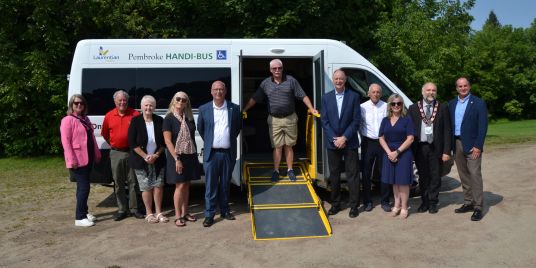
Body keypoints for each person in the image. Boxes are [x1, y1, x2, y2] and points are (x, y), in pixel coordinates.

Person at [242, 59, 318, 182]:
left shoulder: (291, 80)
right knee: (277, 147)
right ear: (270, 70)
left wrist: (312, 109)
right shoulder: (265, 83)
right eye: (274, 68)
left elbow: (302, 95)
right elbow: (255, 98)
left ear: (282, 69)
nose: (277, 70)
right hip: (274, 120)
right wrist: (244, 109)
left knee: (288, 146)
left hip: (290, 119)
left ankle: (290, 170)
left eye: (279, 68)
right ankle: (276, 170)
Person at [198, 81, 242, 227]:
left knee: (225, 185)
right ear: (211, 92)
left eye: (221, 89)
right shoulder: (204, 109)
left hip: (227, 153)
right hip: (211, 154)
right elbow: (202, 129)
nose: (218, 92)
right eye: (216, 89)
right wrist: (212, 142)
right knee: (210, 186)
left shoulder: (234, 109)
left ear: (225, 91)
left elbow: (237, 128)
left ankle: (225, 210)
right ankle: (209, 215)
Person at [321, 70, 361, 218]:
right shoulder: (326, 98)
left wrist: (344, 137)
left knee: (353, 175)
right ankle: (335, 204)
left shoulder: (354, 96)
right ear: (333, 80)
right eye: (336, 79)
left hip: (349, 142)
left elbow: (356, 120)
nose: (338, 81)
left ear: (345, 80)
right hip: (333, 144)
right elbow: (324, 121)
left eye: (341, 79)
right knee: (335, 175)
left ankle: (354, 206)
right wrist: (335, 139)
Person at [409, 82, 452, 214]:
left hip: (436, 148)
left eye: (433, 90)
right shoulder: (413, 108)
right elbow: (409, 130)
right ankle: (425, 201)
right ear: (423, 92)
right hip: (420, 147)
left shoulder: (442, 107)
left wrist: (446, 151)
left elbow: (447, 131)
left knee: (435, 176)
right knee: (423, 176)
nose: (431, 92)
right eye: (428, 90)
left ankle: (433, 202)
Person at [449, 77, 488, 221]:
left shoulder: (478, 103)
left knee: (474, 174)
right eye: (460, 86)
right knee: (463, 174)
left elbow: (483, 126)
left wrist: (478, 145)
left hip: (472, 145)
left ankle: (478, 206)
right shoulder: (451, 104)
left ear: (469, 87)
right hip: (457, 142)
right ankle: (468, 202)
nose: (463, 88)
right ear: (456, 88)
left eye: (465, 86)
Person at [60, 94, 101, 227]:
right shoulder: (67, 120)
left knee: (81, 187)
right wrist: (71, 159)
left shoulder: (85, 119)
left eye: (81, 103)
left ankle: (85, 212)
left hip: (87, 157)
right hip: (77, 159)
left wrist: (96, 153)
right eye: (76, 103)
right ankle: (79, 217)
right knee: (84, 188)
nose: (79, 105)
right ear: (71, 105)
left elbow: (92, 138)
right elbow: (65, 142)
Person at [101, 90, 143, 221]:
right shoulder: (109, 116)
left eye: (124, 100)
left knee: (133, 182)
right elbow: (105, 134)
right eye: (120, 100)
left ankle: (134, 209)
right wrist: (115, 144)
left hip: (132, 152)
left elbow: (140, 133)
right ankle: (121, 209)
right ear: (115, 101)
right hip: (116, 152)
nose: (122, 102)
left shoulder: (135, 114)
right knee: (118, 182)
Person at [128, 95, 168, 224]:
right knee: (146, 187)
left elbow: (164, 142)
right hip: (141, 160)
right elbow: (132, 143)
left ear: (154, 107)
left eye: (151, 105)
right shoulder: (135, 121)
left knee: (158, 186)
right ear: (141, 107)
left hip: (158, 159)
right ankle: (149, 213)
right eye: (146, 105)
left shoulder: (159, 121)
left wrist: (156, 155)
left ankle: (158, 212)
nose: (148, 107)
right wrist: (145, 156)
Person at [163, 91, 201, 227]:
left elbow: (191, 138)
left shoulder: (189, 118)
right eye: (178, 99)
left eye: (183, 100)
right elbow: (168, 142)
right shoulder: (168, 118)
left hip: (189, 155)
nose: (180, 102)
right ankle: (178, 216)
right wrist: (176, 159)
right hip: (176, 157)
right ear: (174, 100)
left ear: (186, 103)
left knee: (186, 185)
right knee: (179, 186)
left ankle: (185, 213)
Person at [379, 94, 415, 219]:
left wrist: (397, 152)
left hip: (403, 153)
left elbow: (410, 138)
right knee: (394, 181)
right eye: (393, 104)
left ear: (402, 105)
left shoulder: (407, 119)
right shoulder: (385, 120)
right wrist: (389, 152)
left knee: (403, 182)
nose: (396, 106)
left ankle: (404, 207)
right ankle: (397, 205)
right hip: (389, 153)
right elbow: (381, 137)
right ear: (390, 105)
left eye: (398, 103)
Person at [360, 83, 391, 212]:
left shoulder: (386, 106)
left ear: (381, 94)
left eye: (378, 92)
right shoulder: (362, 107)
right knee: (366, 173)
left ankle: (385, 201)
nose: (376, 94)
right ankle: (367, 201)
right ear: (368, 93)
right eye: (373, 92)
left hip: (383, 142)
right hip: (367, 142)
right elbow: (358, 124)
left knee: (384, 172)